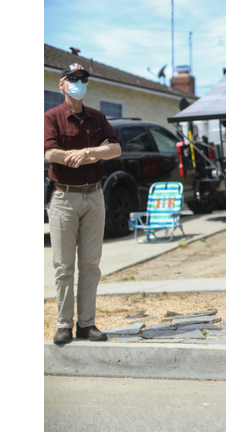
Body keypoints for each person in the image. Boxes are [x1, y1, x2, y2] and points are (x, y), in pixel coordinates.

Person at [44, 63, 122, 345]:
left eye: (83, 79)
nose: (79, 83)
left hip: (94, 195)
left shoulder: (97, 117)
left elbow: (115, 148)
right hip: (64, 197)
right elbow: (50, 152)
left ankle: (86, 324)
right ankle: (63, 324)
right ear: (62, 84)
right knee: (64, 265)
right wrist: (71, 157)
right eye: (73, 79)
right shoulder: (52, 117)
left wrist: (88, 152)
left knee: (90, 264)